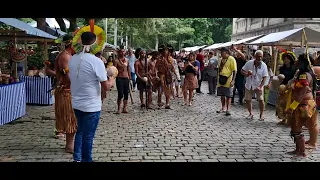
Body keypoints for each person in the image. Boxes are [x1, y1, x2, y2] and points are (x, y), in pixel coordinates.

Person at [69, 26, 115, 162]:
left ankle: (77, 158)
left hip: (77, 103)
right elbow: (105, 86)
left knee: (81, 132)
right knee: (88, 135)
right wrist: (112, 79)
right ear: (94, 43)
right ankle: (86, 159)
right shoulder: (96, 61)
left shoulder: (73, 59)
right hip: (91, 106)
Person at [286, 53, 318, 157]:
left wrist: (292, 107)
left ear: (302, 62)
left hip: (302, 104)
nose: (296, 62)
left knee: (296, 127)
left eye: (298, 61)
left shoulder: (304, 75)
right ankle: (298, 149)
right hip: (302, 103)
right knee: (295, 127)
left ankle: (302, 151)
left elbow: (302, 91)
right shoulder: (303, 73)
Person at [53, 34, 77, 153]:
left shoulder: (68, 56)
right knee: (70, 119)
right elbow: (67, 77)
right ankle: (69, 146)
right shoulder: (65, 57)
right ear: (71, 44)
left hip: (67, 91)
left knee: (71, 119)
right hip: (66, 92)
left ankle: (70, 144)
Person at [241, 50, 268, 121]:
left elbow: (265, 77)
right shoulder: (249, 63)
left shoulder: (264, 65)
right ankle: (250, 113)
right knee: (248, 99)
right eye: (258, 56)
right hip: (249, 84)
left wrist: (260, 86)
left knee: (261, 100)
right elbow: (242, 70)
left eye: (261, 57)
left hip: (258, 85)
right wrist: (247, 74)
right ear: (255, 56)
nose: (259, 58)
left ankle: (261, 115)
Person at [276, 51, 296, 125]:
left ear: (291, 60)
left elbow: (295, 78)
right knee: (281, 104)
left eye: (287, 59)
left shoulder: (294, 68)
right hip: (283, 87)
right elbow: (279, 77)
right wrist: (280, 77)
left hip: (291, 87)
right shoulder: (282, 68)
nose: (286, 60)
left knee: (289, 103)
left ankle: (289, 119)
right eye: (284, 58)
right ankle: (283, 118)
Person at [216, 47, 237, 116]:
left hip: (228, 79)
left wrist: (233, 80)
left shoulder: (231, 59)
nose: (221, 53)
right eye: (221, 52)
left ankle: (228, 109)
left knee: (228, 95)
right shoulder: (220, 60)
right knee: (222, 95)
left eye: (222, 52)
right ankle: (223, 107)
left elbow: (234, 71)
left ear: (226, 52)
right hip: (220, 79)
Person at [155, 45, 176, 109]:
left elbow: (173, 68)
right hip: (161, 75)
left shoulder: (170, 59)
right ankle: (159, 102)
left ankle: (167, 103)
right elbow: (156, 68)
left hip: (168, 76)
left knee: (168, 90)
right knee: (160, 90)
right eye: (164, 50)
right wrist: (156, 75)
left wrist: (175, 75)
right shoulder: (159, 59)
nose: (165, 52)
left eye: (166, 50)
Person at [114, 46, 131, 114]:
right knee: (120, 93)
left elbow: (128, 69)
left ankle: (124, 108)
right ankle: (119, 108)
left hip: (126, 78)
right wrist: (121, 68)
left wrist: (130, 77)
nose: (122, 53)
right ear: (119, 52)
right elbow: (114, 70)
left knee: (126, 94)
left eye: (123, 51)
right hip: (119, 78)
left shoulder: (127, 60)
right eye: (121, 51)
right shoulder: (116, 61)